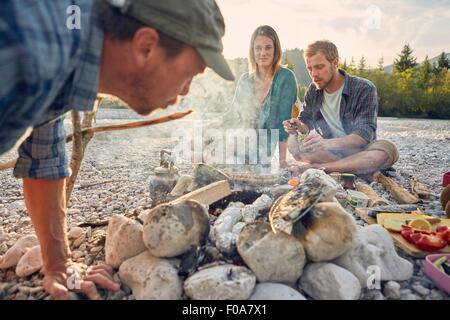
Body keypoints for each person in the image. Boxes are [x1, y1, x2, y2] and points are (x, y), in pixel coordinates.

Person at [0, 0, 234, 300]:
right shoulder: (31, 49)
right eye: (190, 74)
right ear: (146, 46)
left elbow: (43, 157)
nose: (185, 91)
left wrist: (58, 263)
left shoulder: (70, 47)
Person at [283, 40, 399, 179]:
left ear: (335, 62)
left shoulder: (364, 88)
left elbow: (363, 135)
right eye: (310, 69)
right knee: (295, 145)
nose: (314, 74)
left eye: (319, 67)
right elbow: (305, 122)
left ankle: (320, 168)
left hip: (360, 150)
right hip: (331, 153)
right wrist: (296, 126)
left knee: (385, 152)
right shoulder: (313, 90)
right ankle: (357, 169)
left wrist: (327, 144)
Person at [218, 25, 298, 170]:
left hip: (265, 153)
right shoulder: (245, 80)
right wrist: (206, 133)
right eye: (258, 48)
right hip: (239, 146)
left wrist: (282, 162)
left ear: (276, 50)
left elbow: (283, 123)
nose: (263, 53)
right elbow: (231, 116)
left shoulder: (286, 78)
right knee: (207, 158)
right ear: (252, 51)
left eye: (268, 48)